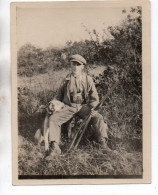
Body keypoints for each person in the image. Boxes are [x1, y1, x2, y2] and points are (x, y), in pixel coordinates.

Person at [46, 54, 112, 158]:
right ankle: (55, 147)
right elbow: (58, 95)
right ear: (70, 65)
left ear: (82, 67)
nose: (75, 67)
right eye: (73, 64)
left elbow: (94, 97)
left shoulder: (88, 79)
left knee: (98, 118)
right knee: (53, 119)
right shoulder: (66, 80)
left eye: (78, 65)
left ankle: (103, 144)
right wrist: (53, 103)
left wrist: (93, 108)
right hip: (69, 107)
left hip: (83, 107)